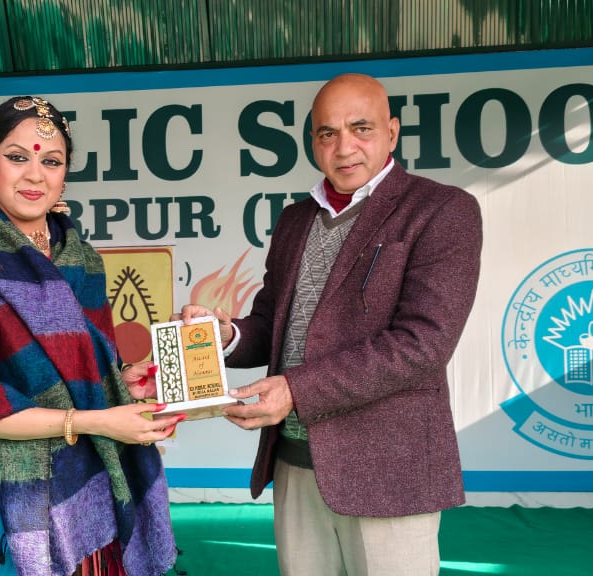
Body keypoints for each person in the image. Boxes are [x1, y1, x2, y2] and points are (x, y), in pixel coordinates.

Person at [180, 73, 483, 575]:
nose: (344, 147)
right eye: (327, 133)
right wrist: (223, 334)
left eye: (361, 128)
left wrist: (295, 391)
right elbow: (272, 323)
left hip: (388, 471)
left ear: (392, 132)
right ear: (313, 141)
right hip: (294, 461)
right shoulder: (295, 219)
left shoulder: (442, 210)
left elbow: (422, 344)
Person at [0, 95, 183, 576]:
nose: (34, 176)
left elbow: (84, 374)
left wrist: (125, 384)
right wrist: (98, 421)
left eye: (51, 161)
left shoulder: (83, 261)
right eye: (17, 157)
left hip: (85, 486)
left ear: (65, 172)